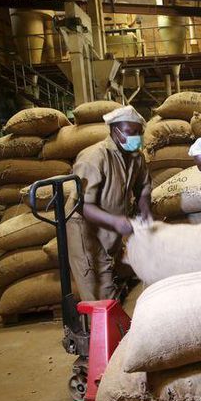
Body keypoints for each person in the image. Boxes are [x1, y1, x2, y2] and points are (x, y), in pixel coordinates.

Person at [66, 105, 153, 301]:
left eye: (140, 133)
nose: (137, 138)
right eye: (132, 133)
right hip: (85, 227)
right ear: (116, 130)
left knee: (109, 274)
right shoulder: (94, 157)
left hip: (111, 223)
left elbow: (144, 187)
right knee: (95, 284)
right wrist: (116, 222)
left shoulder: (136, 157)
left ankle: (109, 324)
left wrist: (145, 211)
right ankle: (97, 328)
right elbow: (81, 205)